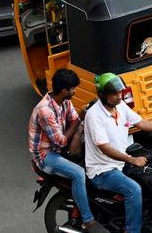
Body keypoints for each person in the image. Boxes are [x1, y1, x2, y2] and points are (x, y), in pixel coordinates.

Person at [83, 73, 152, 233]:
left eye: (120, 92)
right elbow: (104, 147)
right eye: (115, 94)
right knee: (133, 190)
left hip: (120, 164)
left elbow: (142, 123)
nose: (119, 96)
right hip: (102, 171)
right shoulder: (94, 115)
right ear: (102, 95)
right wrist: (132, 160)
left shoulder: (120, 106)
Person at [28, 69, 102, 232]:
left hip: (60, 147)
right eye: (73, 89)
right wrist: (80, 121)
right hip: (46, 155)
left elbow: (75, 122)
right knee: (78, 174)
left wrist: (77, 136)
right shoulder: (45, 111)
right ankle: (88, 220)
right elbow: (60, 141)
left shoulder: (65, 102)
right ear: (64, 91)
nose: (75, 92)